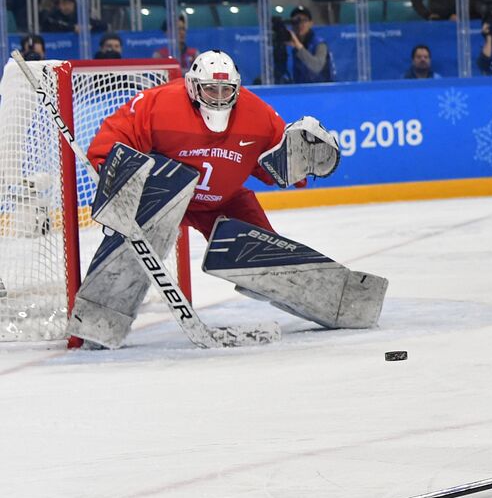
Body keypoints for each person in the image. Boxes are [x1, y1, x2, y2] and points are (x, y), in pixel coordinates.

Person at [73, 50, 375, 348]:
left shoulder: (258, 116)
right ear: (193, 86)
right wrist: (115, 178)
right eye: (210, 89)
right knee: (134, 236)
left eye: (225, 90)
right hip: (162, 196)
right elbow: (113, 139)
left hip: (223, 201)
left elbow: (276, 168)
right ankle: (99, 320)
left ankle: (338, 303)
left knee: (269, 253)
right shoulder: (158, 104)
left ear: (237, 88)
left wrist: (301, 159)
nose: (218, 97)